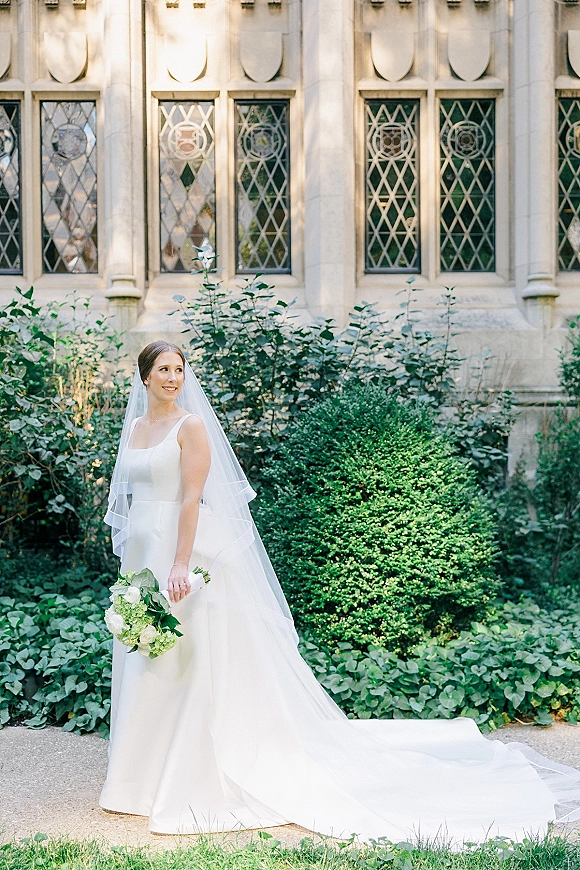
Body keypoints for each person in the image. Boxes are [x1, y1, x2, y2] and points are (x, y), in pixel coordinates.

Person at [100, 340, 580, 842]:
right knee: (147, 654)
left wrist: (180, 563)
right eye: (164, 369)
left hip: (184, 551)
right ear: (145, 376)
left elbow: (193, 496)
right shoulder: (135, 428)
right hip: (142, 553)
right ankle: (140, 778)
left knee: (188, 656)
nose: (173, 378)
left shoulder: (190, 427)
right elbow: (129, 497)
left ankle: (191, 770)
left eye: (179, 369)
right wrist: (135, 558)